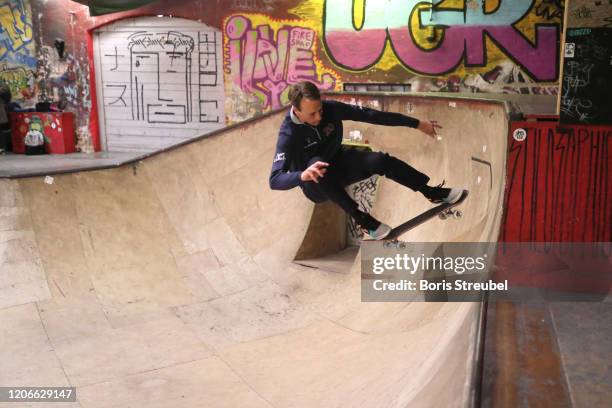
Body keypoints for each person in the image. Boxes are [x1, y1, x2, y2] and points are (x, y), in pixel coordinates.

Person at [269, 81, 463, 240]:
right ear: (296, 110)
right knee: (317, 163)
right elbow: (275, 179)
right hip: (315, 185)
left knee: (379, 160)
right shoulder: (288, 135)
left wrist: (417, 124)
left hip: (340, 164)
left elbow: (372, 115)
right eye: (312, 114)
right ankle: (362, 219)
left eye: (319, 109)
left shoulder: (331, 109)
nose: (319, 116)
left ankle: (431, 191)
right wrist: (301, 175)